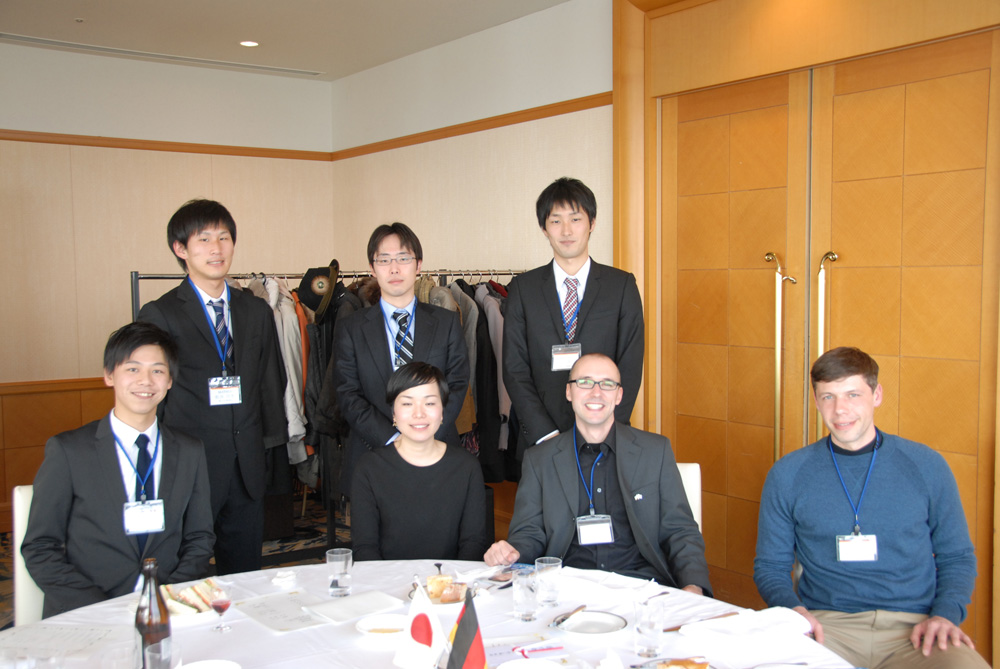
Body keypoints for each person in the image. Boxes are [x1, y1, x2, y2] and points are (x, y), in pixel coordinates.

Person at [754, 346, 988, 669]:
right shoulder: (788, 474)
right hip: (826, 627)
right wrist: (794, 611)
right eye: (828, 397)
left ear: (876, 395)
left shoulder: (927, 466)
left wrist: (945, 615)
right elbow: (770, 566)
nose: (840, 410)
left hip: (916, 629)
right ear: (816, 401)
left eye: (853, 395)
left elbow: (957, 557)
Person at [22, 322, 215, 617]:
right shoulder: (69, 451)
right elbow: (40, 547)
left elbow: (200, 538)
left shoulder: (190, 450)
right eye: (133, 369)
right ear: (109, 375)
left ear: (170, 381)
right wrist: (100, 610)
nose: (145, 381)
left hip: (168, 610)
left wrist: (168, 600)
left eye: (157, 371)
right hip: (90, 615)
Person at [138, 199, 287, 575]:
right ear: (180, 249)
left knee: (245, 576)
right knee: (183, 574)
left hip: (246, 465)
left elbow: (271, 382)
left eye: (224, 237)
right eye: (203, 239)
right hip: (189, 465)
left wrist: (272, 453)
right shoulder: (161, 313)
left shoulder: (256, 310)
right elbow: (151, 395)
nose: (216, 248)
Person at [484, 354, 710, 594]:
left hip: (642, 588)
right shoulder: (539, 459)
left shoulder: (655, 451)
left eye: (607, 384)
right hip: (567, 589)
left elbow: (680, 530)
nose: (596, 392)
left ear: (619, 395)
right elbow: (529, 532)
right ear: (569, 392)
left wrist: (694, 586)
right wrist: (512, 552)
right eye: (585, 382)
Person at [503, 177, 644, 460]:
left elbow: (630, 365)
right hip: (541, 442)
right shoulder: (523, 289)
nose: (566, 230)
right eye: (556, 221)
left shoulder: (621, 286)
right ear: (544, 228)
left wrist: (604, 429)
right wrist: (545, 434)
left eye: (575, 219)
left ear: (592, 223)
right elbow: (514, 369)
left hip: (606, 437)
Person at [332, 222, 469, 488]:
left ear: (418, 265)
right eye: (384, 260)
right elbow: (347, 392)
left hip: (437, 450)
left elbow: (457, 383)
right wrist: (393, 440)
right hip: (373, 453)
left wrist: (424, 437)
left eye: (403, 258)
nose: (394, 268)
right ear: (372, 268)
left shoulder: (446, 322)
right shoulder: (351, 328)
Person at [350, 362, 487, 561]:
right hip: (387, 579)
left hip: (450, 578)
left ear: (442, 411)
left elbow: (473, 543)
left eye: (429, 403)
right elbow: (365, 548)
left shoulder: (467, 467)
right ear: (393, 413)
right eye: (407, 403)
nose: (419, 413)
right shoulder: (369, 468)